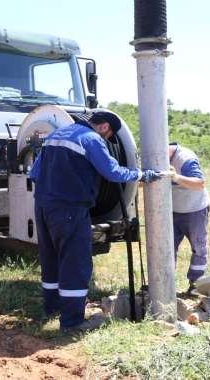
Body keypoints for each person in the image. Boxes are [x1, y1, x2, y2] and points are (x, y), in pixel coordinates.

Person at [30, 111, 162, 332]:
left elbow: (34, 173)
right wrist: (141, 175)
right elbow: (112, 172)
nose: (107, 140)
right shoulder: (90, 139)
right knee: (75, 262)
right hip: (70, 208)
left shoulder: (57, 134)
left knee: (51, 258)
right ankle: (72, 322)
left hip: (43, 206)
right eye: (108, 136)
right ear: (103, 127)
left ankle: (51, 310)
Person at [168, 142, 210, 293]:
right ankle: (166, 285)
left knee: (198, 247)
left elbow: (199, 183)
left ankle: (196, 284)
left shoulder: (185, 158)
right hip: (172, 211)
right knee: (166, 248)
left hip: (195, 209)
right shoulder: (158, 157)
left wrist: (175, 177)